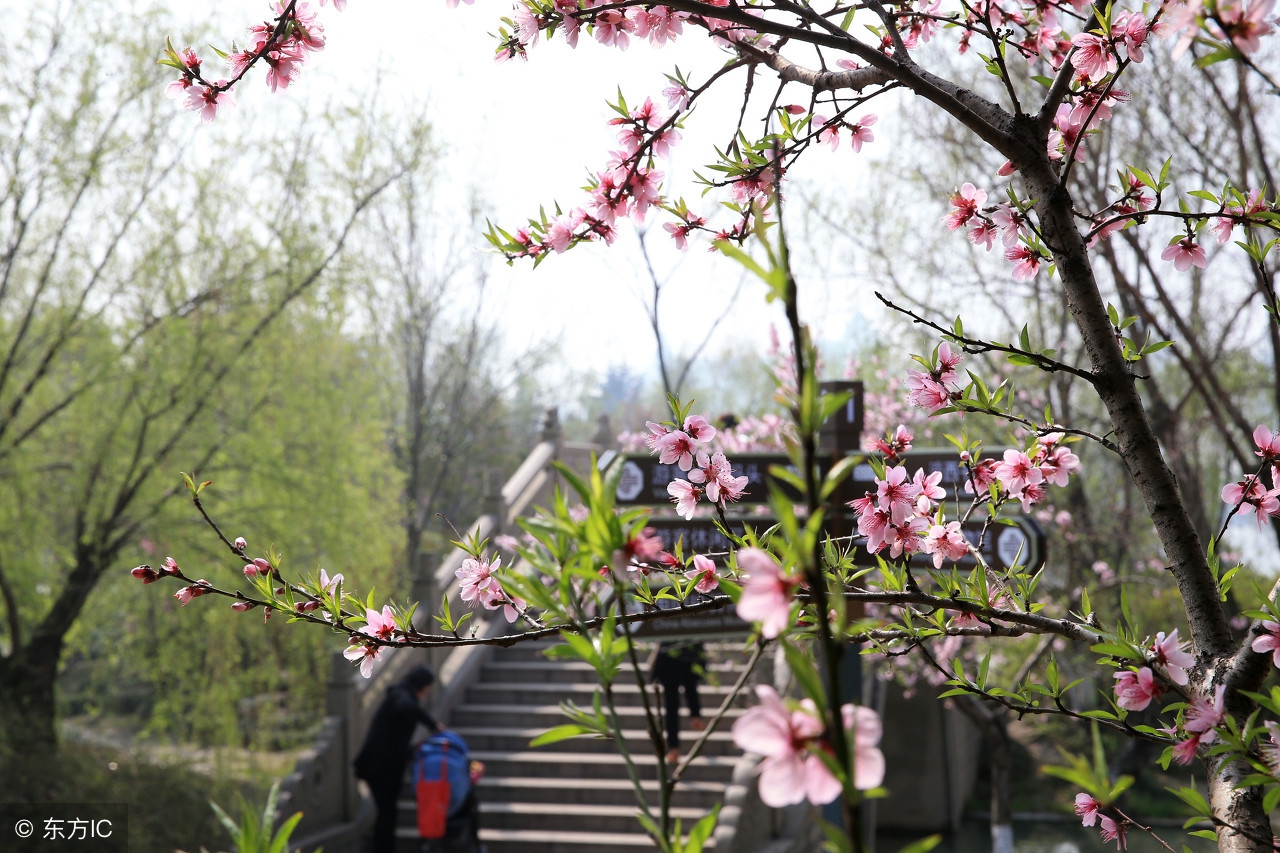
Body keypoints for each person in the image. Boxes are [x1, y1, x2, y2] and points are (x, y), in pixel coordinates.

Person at [355, 664, 442, 853]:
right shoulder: (401, 695)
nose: (426, 693)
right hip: (379, 768)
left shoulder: (400, 694)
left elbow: (394, 738)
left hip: (383, 766)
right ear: (421, 685)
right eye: (427, 689)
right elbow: (407, 708)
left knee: (388, 812)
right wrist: (433, 725)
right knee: (387, 812)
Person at [650, 640, 708, 765]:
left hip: (673, 653)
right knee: (689, 688)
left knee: (672, 705)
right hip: (681, 650)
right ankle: (695, 716)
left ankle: (673, 747)